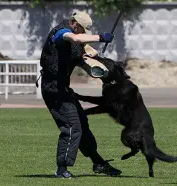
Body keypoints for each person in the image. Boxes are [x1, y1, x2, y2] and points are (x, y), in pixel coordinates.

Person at [39, 11, 122, 178]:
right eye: (82, 29)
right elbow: (75, 39)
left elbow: (83, 49)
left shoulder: (77, 38)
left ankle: (98, 163)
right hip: (52, 89)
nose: (83, 33)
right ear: (74, 23)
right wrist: (101, 37)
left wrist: (95, 58)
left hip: (63, 88)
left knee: (82, 124)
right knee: (71, 126)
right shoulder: (61, 32)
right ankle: (61, 169)